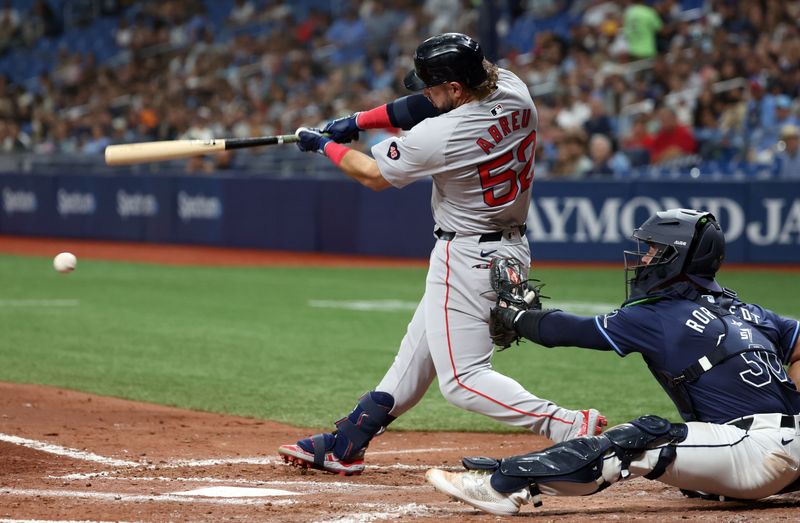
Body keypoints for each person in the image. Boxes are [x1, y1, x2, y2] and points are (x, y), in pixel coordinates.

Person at [278, 32, 607, 476]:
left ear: (455, 89)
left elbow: (374, 174)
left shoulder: (445, 133)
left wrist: (325, 146)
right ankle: (347, 442)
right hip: (507, 248)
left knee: (463, 381)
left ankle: (567, 425)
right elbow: (422, 106)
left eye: (434, 86)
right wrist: (361, 120)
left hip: (467, 253)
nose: (425, 93)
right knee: (416, 356)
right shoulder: (513, 87)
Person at [426, 208, 800, 515]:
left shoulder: (663, 314)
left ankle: (504, 485)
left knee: (642, 437)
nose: (644, 259)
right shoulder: (749, 311)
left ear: (680, 259)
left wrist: (518, 317)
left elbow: (572, 332)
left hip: (755, 452)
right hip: (785, 443)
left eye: (656, 251)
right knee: (692, 465)